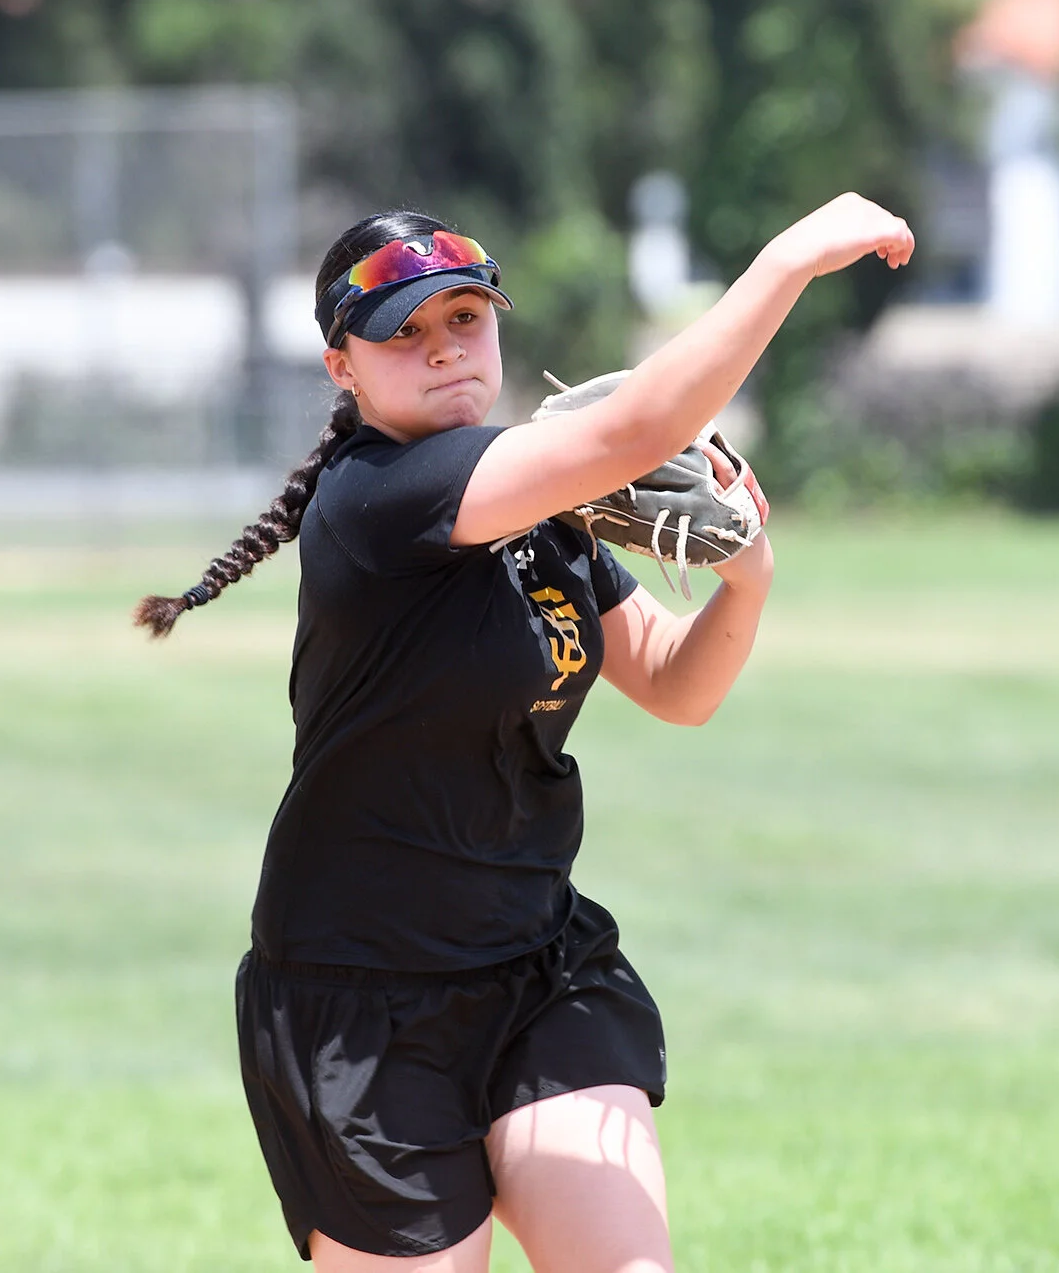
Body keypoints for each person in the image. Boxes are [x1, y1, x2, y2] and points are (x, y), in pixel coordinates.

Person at [134, 194, 914, 1272]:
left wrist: (750, 577)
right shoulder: (378, 498)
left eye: (464, 317)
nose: (443, 347)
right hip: (362, 997)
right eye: (402, 331)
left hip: (537, 965)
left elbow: (675, 683)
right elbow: (635, 432)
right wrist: (788, 257)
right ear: (342, 369)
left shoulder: (540, 508)